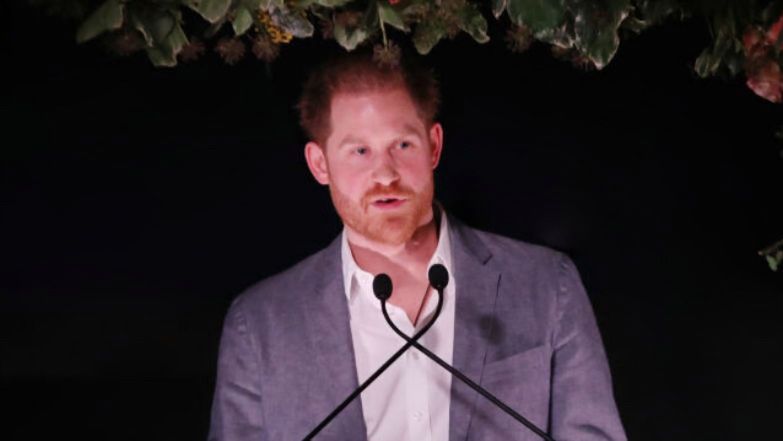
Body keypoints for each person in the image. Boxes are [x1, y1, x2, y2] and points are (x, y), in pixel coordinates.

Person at [208, 49, 626, 441]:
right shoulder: (259, 324)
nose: (385, 174)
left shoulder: (547, 285)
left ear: (434, 147)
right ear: (320, 164)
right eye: (359, 151)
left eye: (402, 145)